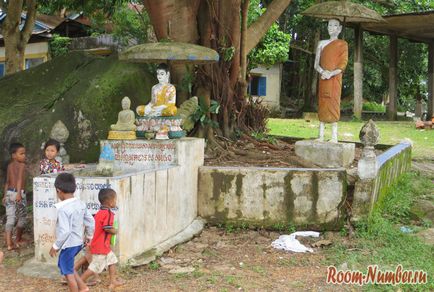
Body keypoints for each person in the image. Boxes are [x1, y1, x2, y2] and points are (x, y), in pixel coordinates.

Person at [49, 173, 94, 292]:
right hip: (78, 243)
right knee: (68, 267)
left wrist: (55, 246)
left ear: (58, 191)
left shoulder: (63, 209)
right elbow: (90, 221)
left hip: (68, 245)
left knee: (67, 274)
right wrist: (89, 236)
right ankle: (83, 287)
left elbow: (65, 232)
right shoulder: (80, 203)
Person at [81, 188, 123, 290]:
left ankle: (113, 282)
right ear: (109, 202)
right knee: (95, 267)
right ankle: (79, 282)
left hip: (101, 245)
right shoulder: (108, 213)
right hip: (101, 246)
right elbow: (107, 228)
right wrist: (115, 230)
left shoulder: (99, 212)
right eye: (115, 200)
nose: (115, 202)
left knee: (112, 260)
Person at [314, 19, 348, 143]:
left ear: (339, 28)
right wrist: (323, 72)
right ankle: (321, 135)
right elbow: (316, 64)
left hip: (335, 79)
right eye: (329, 25)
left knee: (334, 103)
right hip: (323, 78)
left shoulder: (343, 44)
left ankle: (334, 136)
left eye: (334, 25)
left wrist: (332, 73)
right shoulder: (321, 43)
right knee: (323, 103)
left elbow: (343, 63)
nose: (331, 27)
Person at [3, 142, 27, 251]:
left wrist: (4, 196)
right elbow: (19, 180)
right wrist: (18, 194)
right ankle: (18, 239)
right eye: (21, 154)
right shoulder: (22, 165)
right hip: (18, 193)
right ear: (13, 155)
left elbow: (7, 182)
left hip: (9, 193)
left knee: (10, 218)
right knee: (22, 217)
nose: (24, 156)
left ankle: (9, 243)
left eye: (24, 153)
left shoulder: (9, 166)